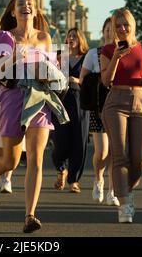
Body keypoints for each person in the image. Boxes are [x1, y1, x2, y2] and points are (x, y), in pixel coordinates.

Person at [0, 0, 61, 233]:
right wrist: (15, 55)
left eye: (30, 3)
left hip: (39, 99)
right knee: (11, 160)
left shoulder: (45, 38)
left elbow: (54, 69)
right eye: (20, 4)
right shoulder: (2, 37)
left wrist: (47, 73)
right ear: (12, 12)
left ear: (36, 11)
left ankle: (30, 215)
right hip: (14, 96)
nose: (26, 6)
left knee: (36, 159)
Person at [101, 7, 142, 223]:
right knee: (120, 155)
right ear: (114, 28)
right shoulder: (107, 50)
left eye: (126, 24)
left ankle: (125, 190)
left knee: (140, 160)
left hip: (141, 102)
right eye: (118, 25)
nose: (122, 29)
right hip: (116, 102)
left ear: (132, 25)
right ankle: (124, 204)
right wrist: (115, 57)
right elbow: (106, 81)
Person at [79, 18, 119, 206]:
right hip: (99, 107)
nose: (111, 32)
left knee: (116, 151)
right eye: (108, 29)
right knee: (102, 152)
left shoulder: (124, 52)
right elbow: (83, 79)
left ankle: (113, 190)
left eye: (114, 29)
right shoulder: (94, 53)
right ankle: (98, 179)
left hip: (119, 106)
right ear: (103, 31)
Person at [51, 28, 90, 193]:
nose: (71, 38)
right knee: (60, 141)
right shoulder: (60, 57)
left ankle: (73, 180)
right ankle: (61, 169)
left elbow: (94, 82)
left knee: (79, 143)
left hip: (80, 104)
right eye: (69, 36)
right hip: (61, 103)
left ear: (81, 40)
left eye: (75, 36)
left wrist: (79, 81)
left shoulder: (87, 59)